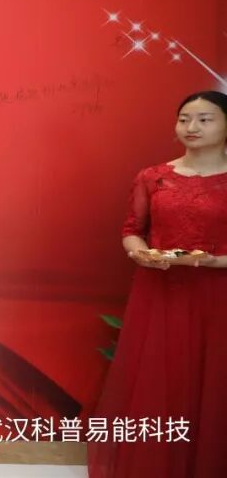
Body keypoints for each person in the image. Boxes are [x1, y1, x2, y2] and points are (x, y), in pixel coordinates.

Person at [88, 90, 227, 478]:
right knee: (160, 382)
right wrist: (139, 253)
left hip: (218, 295)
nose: (191, 127)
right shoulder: (153, 177)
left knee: (215, 382)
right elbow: (133, 229)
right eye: (184, 119)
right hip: (161, 293)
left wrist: (215, 261)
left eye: (205, 119)